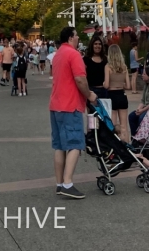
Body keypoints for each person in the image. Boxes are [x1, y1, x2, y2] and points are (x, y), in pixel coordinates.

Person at [49, 26, 97, 199]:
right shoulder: (74, 54)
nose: (78, 39)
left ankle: (59, 183)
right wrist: (89, 95)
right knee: (76, 143)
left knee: (60, 145)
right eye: (76, 36)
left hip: (55, 105)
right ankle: (68, 183)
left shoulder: (58, 54)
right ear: (70, 38)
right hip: (71, 105)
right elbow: (79, 79)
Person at [104, 43, 130, 138]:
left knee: (113, 126)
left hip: (112, 95)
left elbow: (106, 85)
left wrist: (104, 84)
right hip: (122, 95)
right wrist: (120, 84)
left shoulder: (108, 67)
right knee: (124, 126)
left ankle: (115, 149)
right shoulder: (124, 67)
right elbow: (128, 86)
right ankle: (127, 147)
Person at [83, 35, 108, 100]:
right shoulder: (86, 59)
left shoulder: (106, 59)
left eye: (99, 44)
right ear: (92, 45)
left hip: (104, 91)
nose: (98, 46)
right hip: (91, 91)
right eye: (95, 44)